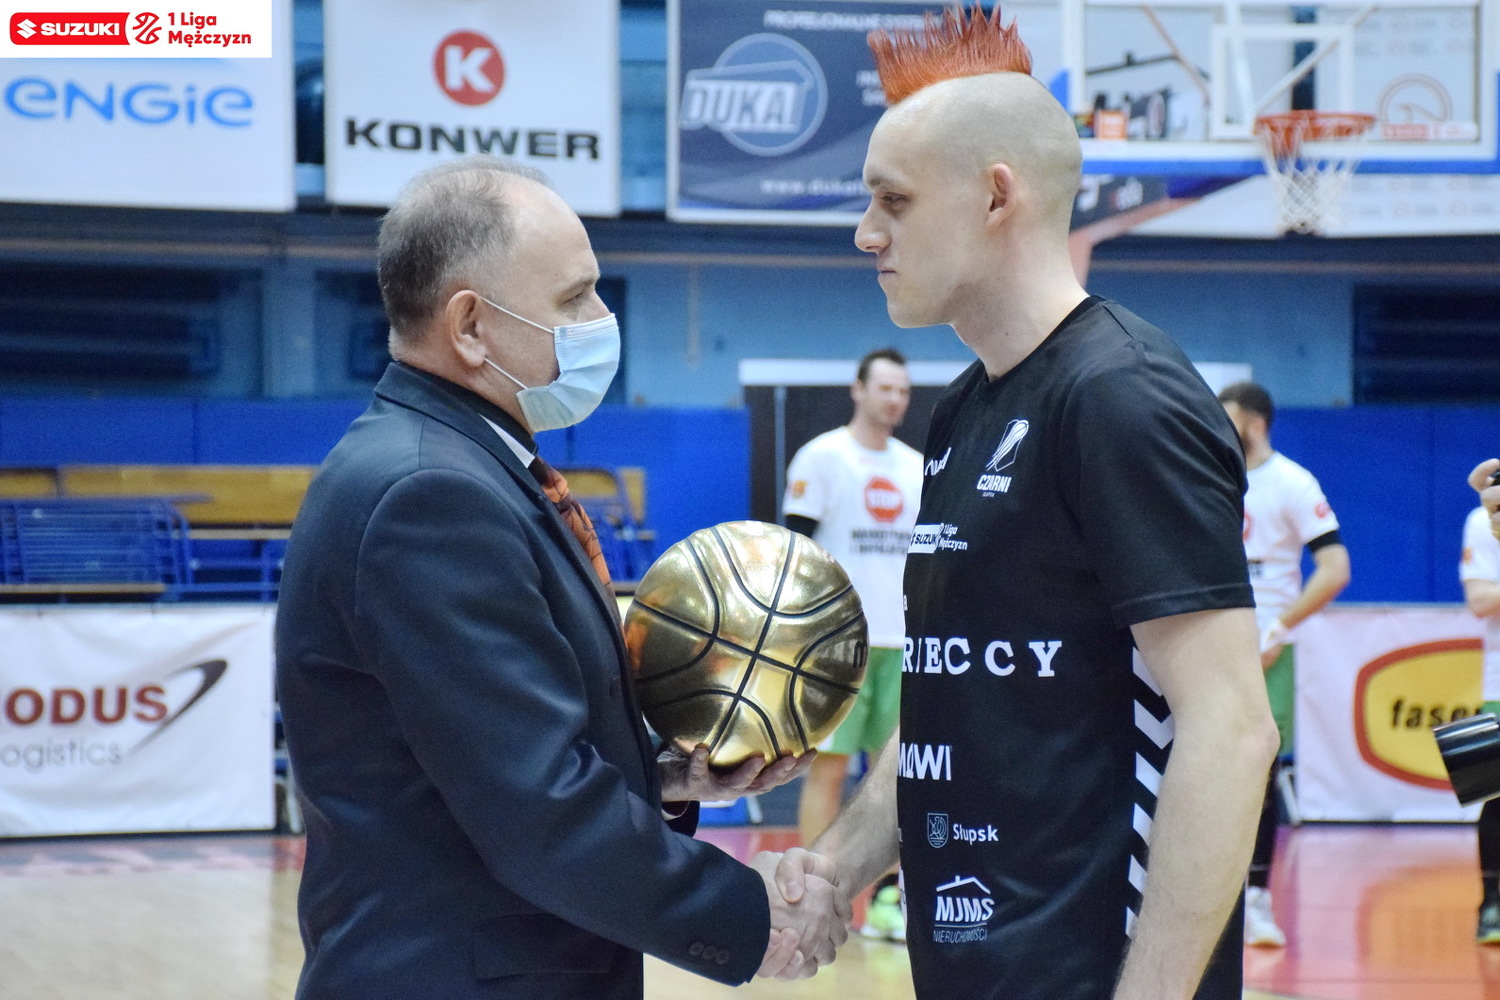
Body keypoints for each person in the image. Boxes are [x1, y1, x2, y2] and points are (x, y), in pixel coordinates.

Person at [776, 8, 1279, 999]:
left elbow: (1231, 731)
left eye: (894, 201)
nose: (866, 232)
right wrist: (838, 864)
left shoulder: (1122, 397)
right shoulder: (966, 406)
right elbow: (953, 707)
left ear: (996, 196)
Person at [275, 155, 848, 1000]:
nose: (602, 320)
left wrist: (662, 777)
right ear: (471, 326)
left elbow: (474, 762)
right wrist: (749, 913)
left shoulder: (459, 466)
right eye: (575, 297)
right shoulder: (428, 496)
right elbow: (535, 807)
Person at [783, 347, 923, 941]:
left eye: (903, 391)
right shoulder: (822, 458)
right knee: (829, 769)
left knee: (899, 777)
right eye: (885, 388)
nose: (895, 399)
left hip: (907, 643)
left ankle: (890, 901)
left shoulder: (918, 467)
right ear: (858, 389)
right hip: (841, 646)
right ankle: (810, 893)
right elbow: (796, 554)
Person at [1217, 381, 1351, 947]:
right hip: (1207, 647)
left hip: (1266, 652)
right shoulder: (1208, 476)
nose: (1218, 428)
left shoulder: (1293, 483)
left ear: (1255, 424)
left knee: (1259, 777)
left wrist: (1279, 627)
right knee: (1194, 771)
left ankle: (1256, 900)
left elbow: (1335, 568)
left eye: (1228, 419)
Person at [1464, 460, 1500, 942]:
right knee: (1494, 794)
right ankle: (1491, 902)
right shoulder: (1482, 518)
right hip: (1498, 682)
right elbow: (1480, 600)